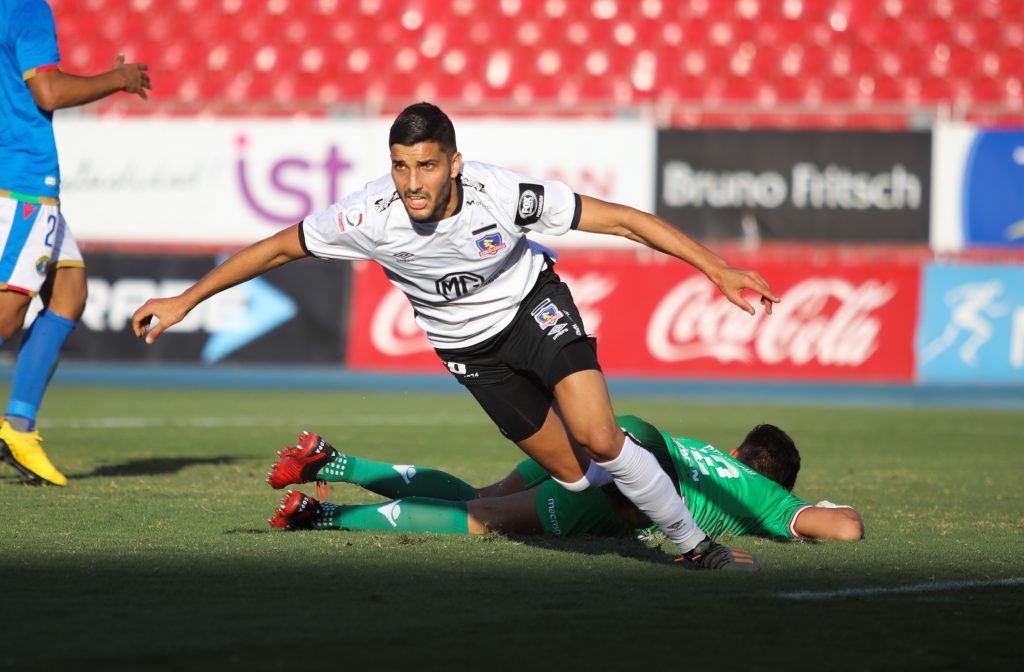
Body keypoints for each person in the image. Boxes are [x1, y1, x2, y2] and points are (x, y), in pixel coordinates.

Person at [132, 102, 780, 567]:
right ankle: (633, 504)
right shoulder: (366, 215)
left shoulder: (502, 194)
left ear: (455, 164)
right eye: (401, 166)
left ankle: (694, 545)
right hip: (472, 354)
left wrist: (714, 267)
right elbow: (276, 250)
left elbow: (623, 222)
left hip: (535, 311)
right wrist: (188, 299)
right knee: (575, 475)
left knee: (601, 435)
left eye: (427, 166)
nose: (412, 183)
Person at [264, 417, 863, 570]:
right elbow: (845, 530)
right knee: (482, 519)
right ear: (774, 477)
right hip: (628, 476)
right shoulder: (765, 496)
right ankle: (323, 514)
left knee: (479, 495)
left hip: (624, 430)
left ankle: (334, 460)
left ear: (737, 451)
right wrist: (826, 509)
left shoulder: (714, 457)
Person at [0, 0, 151, 486]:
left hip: (24, 181)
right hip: (20, 184)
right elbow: (46, 90)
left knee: (70, 291)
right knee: (6, 317)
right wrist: (117, 80)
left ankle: (18, 429)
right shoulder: (25, 7)